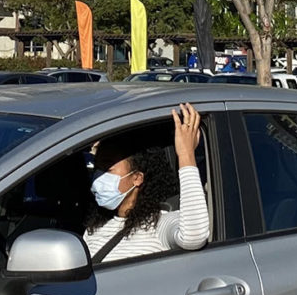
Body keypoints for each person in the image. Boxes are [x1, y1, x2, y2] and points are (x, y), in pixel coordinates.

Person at [84, 104, 210, 264]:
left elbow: (194, 237)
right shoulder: (93, 229)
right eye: (98, 168)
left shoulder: (159, 225)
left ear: (137, 178)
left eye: (108, 169)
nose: (99, 176)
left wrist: (186, 154)